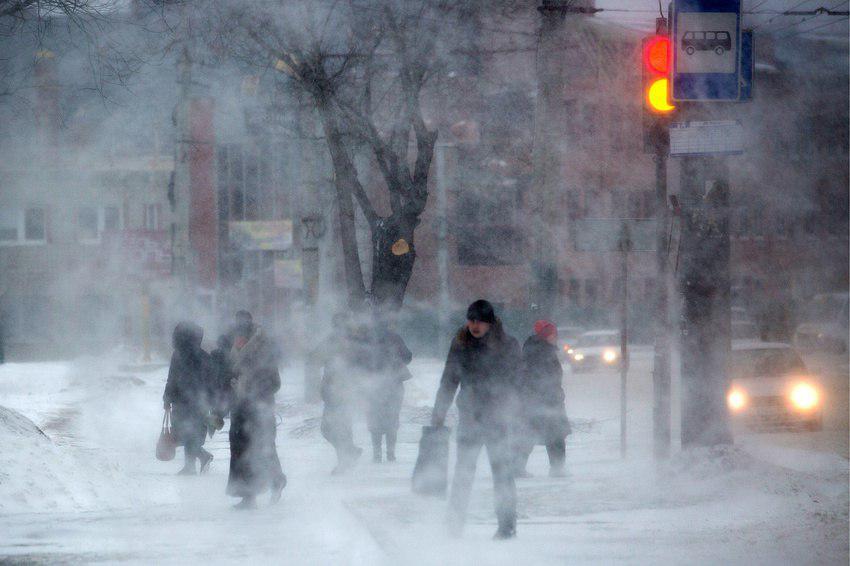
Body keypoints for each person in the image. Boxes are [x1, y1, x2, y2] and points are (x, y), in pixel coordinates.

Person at [431, 299, 522, 540]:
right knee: (463, 472)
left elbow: (517, 382)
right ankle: (454, 524)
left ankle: (507, 525)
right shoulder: (461, 344)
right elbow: (449, 378)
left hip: (498, 418)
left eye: (479, 320)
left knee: (502, 473)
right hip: (470, 417)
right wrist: (440, 410)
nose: (474, 325)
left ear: (490, 322)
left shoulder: (507, 345)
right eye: (471, 320)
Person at [226, 311, 287, 509]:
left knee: (262, 446)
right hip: (240, 407)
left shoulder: (263, 351)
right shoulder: (234, 349)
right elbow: (230, 375)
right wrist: (233, 383)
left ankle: (275, 480)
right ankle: (248, 495)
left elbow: (274, 383)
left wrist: (252, 389)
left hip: (259, 407)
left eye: (243, 335)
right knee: (241, 449)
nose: (239, 339)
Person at [515, 320, 571, 478]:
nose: (555, 337)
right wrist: (551, 394)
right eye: (553, 334)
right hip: (543, 401)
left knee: (530, 435)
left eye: (555, 334)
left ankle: (518, 468)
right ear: (545, 335)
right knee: (553, 436)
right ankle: (557, 469)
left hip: (541, 401)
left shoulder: (539, 350)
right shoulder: (541, 352)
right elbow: (539, 377)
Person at [163, 321, 214, 475]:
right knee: (189, 434)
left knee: (186, 434)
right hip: (197, 402)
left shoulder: (178, 355)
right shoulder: (204, 356)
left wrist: (167, 398)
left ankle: (194, 463)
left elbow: (172, 379)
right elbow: (210, 381)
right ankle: (193, 464)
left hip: (184, 401)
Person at [317, 313, 363, 475]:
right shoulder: (341, 341)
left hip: (341, 392)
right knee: (339, 429)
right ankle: (347, 456)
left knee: (332, 428)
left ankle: (347, 457)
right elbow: (317, 357)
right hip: (336, 392)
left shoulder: (347, 342)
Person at [363, 318, 412, 463]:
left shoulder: (366, 339)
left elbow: (359, 361)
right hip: (394, 383)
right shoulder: (394, 338)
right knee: (392, 417)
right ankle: (391, 454)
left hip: (373, 385)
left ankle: (377, 454)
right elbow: (408, 356)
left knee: (374, 417)